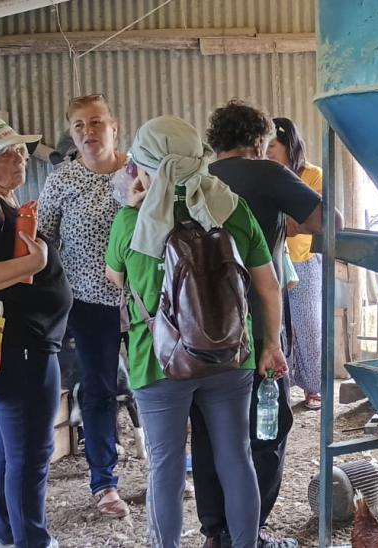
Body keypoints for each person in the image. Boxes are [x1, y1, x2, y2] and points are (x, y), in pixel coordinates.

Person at [104, 115, 287, 548]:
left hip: (158, 361)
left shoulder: (133, 222)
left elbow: (116, 279)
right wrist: (271, 345)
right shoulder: (232, 208)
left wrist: (133, 205)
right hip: (230, 355)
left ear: (144, 165)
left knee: (165, 468)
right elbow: (269, 284)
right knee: (235, 458)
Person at [191, 99, 341, 548]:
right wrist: (283, 220)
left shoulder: (193, 180)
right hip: (258, 328)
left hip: (198, 331)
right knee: (266, 428)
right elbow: (329, 221)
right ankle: (251, 531)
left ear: (214, 142)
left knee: (207, 428)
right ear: (258, 141)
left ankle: (215, 531)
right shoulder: (268, 174)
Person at [0, 118, 73, 548]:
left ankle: (7, 536)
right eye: (7, 152)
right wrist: (33, 264)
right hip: (21, 348)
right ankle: (31, 541)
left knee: (10, 447)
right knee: (30, 453)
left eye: (20, 149)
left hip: (19, 345)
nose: (20, 156)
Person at [38, 94, 130, 518]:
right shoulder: (62, 180)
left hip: (145, 299)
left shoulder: (137, 170)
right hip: (89, 302)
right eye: (79, 126)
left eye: (96, 123)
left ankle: (171, 469)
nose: (88, 133)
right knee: (99, 389)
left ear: (114, 125)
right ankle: (104, 482)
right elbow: (43, 241)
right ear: (72, 132)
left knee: (158, 385)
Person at [266, 117, 324, 410]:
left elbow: (308, 220)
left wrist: (289, 222)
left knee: (308, 325)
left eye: (272, 146)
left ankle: (314, 387)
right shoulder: (265, 175)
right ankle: (282, 386)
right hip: (272, 261)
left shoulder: (312, 175)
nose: (267, 151)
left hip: (304, 259)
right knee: (278, 327)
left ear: (289, 145)